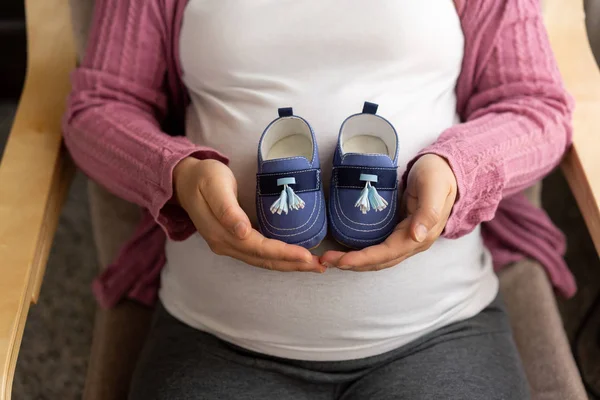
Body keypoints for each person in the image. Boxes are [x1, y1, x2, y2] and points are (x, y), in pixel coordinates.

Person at [63, 0, 575, 398]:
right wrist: (175, 174)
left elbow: (534, 105)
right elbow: (99, 109)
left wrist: (457, 171)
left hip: (441, 329)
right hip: (217, 336)